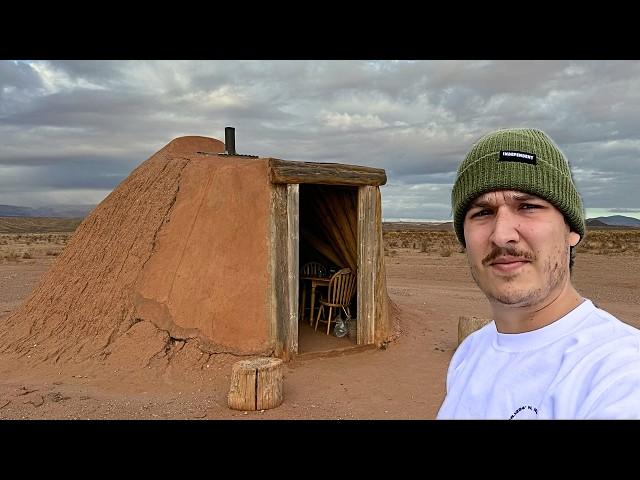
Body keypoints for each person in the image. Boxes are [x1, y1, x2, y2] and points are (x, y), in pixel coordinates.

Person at [437, 128, 640, 419]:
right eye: (482, 213)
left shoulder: (620, 373)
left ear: (571, 230)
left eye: (528, 206)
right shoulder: (469, 354)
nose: (501, 234)